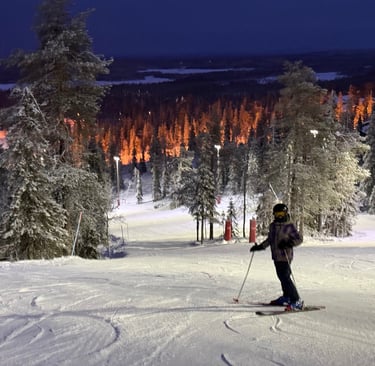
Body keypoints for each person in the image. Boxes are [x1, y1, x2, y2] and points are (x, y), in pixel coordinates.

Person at [250, 203, 303, 310]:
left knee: (285, 277)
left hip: (285, 256)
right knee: (282, 277)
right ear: (274, 214)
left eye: (281, 214)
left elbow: (299, 239)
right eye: (277, 214)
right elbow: (270, 240)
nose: (279, 216)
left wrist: (288, 243)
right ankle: (287, 297)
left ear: (285, 213)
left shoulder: (289, 226)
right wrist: (260, 247)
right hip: (276, 256)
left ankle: (296, 300)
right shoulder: (273, 226)